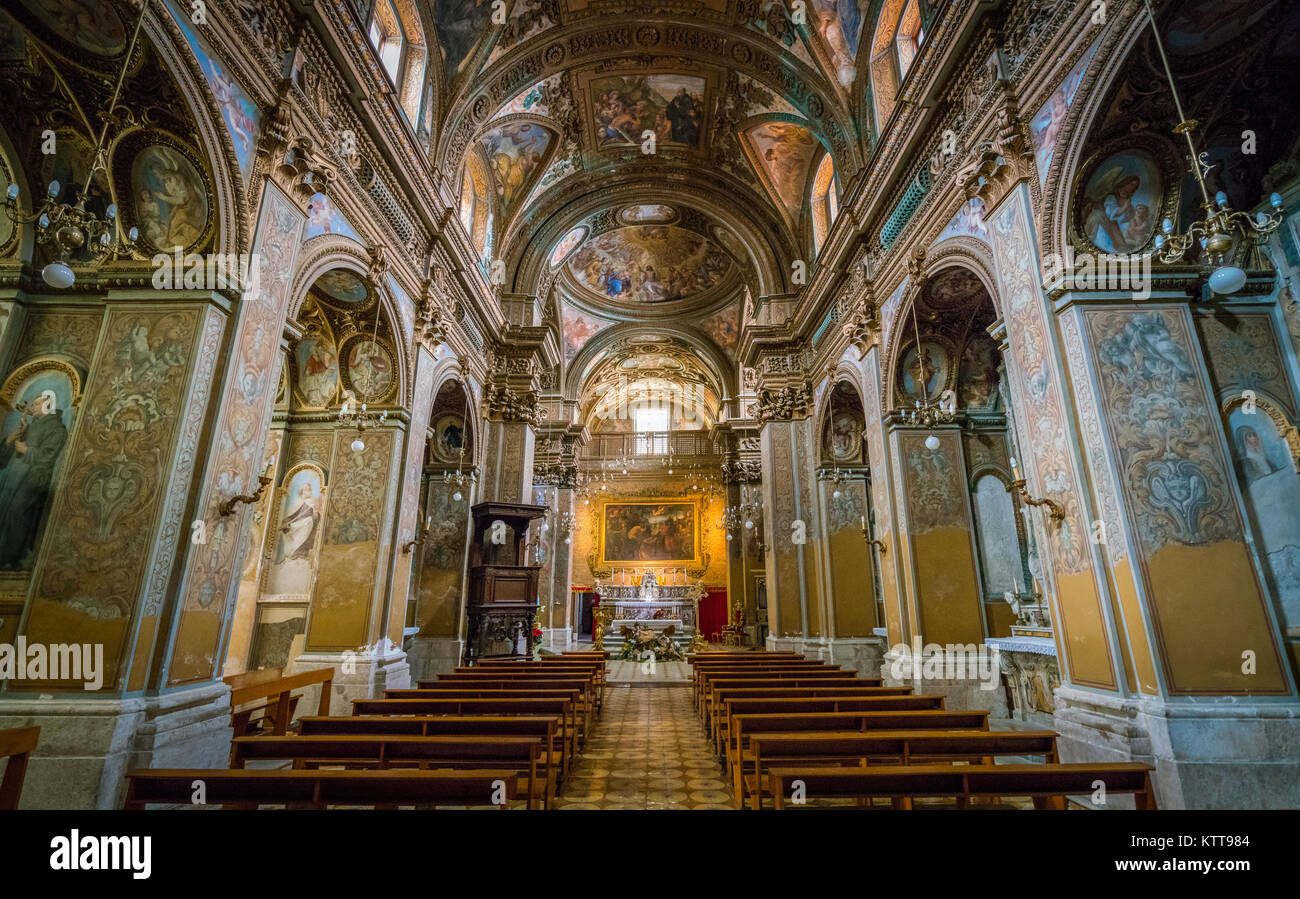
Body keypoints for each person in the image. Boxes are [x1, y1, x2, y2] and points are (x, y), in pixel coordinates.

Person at [0, 394, 68, 570]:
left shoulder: (57, 429)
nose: (32, 407)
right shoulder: (30, 427)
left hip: (34, 480)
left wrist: (27, 450)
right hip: (13, 479)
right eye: (33, 403)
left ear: (48, 404)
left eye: (37, 404)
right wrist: (9, 441)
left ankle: (10, 557)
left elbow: (49, 456)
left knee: (17, 513)